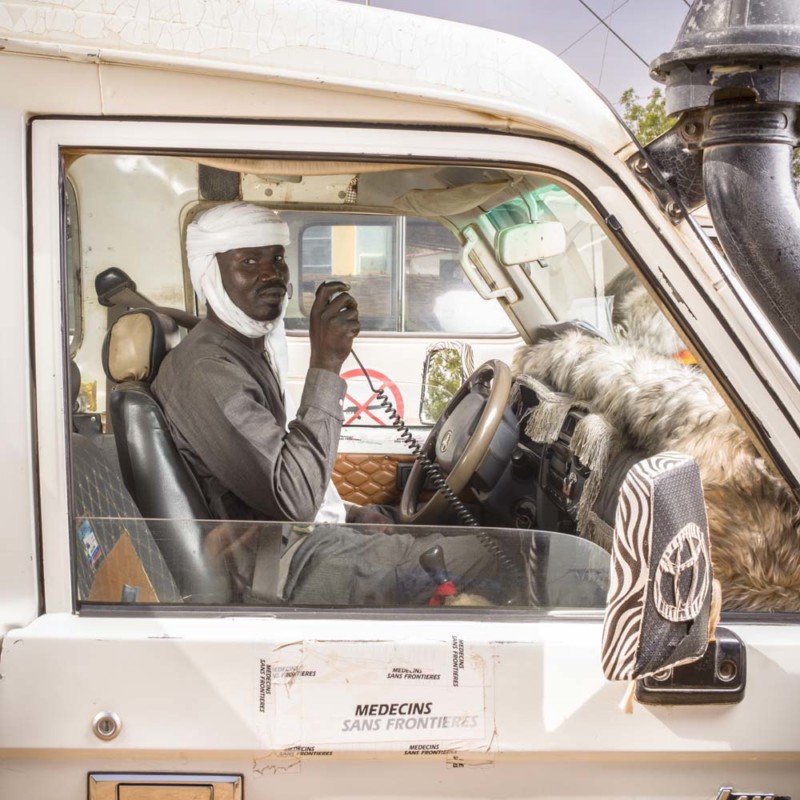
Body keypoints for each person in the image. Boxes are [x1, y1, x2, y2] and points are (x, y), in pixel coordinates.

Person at [153, 202, 513, 605]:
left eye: (276, 259)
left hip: (287, 540)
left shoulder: (241, 352)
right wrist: (326, 362)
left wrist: (351, 513)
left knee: (457, 534)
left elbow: (283, 475)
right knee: (492, 557)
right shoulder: (208, 371)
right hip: (279, 565)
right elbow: (296, 501)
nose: (270, 274)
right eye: (249, 261)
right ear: (210, 273)